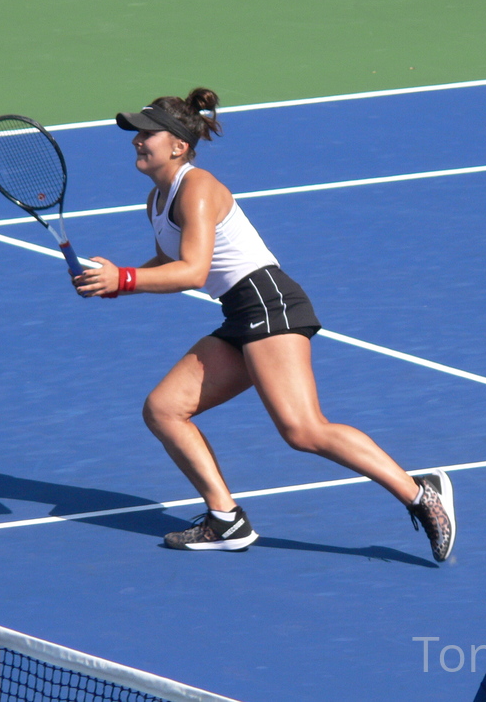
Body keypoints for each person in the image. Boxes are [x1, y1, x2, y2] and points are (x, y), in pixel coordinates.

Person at [72, 88, 456, 561]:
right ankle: (225, 519)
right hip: (239, 312)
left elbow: (192, 271)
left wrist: (126, 279)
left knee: (303, 430)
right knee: (164, 409)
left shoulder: (199, 187)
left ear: (177, 145)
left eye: (146, 133)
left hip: (269, 304)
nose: (136, 140)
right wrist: (115, 280)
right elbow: (171, 260)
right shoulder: (157, 199)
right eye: (135, 133)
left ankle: (421, 494)